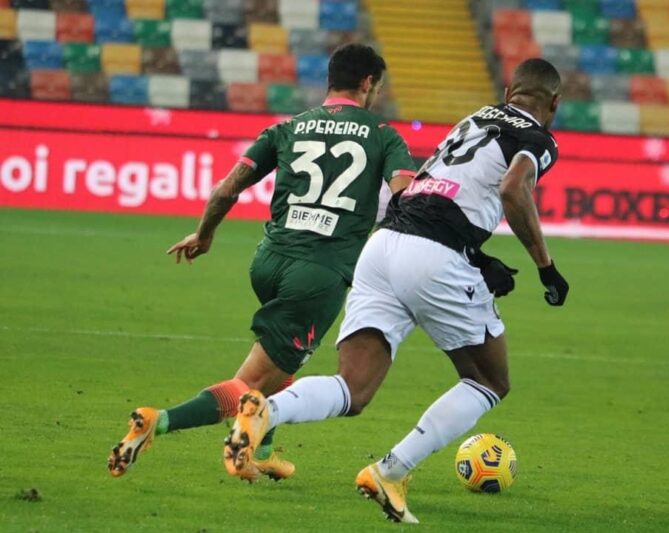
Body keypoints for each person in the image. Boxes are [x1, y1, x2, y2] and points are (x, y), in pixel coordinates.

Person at [222, 58, 569, 523]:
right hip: (434, 256)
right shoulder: (539, 138)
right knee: (489, 381)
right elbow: (513, 188)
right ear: (554, 103)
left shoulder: (474, 120)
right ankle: (390, 471)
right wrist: (546, 267)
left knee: (353, 387)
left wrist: (475, 255)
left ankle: (266, 410)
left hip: (384, 246)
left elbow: (437, 192)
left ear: (509, 93)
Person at [107, 43, 416, 480]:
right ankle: (157, 422)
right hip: (319, 272)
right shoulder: (383, 135)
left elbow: (225, 190)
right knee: (250, 385)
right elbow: (405, 197)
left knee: (284, 357)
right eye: (377, 87)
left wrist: (204, 234)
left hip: (268, 262)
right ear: (367, 83)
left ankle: (264, 451)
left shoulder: (288, 128)